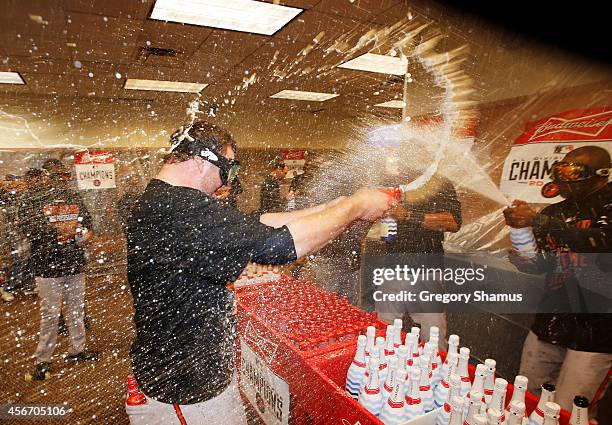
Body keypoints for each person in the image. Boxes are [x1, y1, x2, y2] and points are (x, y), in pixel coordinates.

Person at [126, 121, 393, 424]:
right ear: (201, 162)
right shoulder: (178, 207)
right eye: (226, 171)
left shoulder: (168, 201)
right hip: (188, 394)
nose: (224, 184)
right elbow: (277, 247)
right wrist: (357, 206)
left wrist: (337, 206)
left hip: (187, 379)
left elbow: (258, 223)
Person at [503, 145, 612, 417]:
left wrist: (538, 220)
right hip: (550, 323)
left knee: (568, 411)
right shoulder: (555, 212)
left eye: (574, 171)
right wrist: (521, 237)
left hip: (596, 332)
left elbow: (601, 242)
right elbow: (537, 264)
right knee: (526, 397)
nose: (564, 178)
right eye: (560, 170)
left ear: (602, 174)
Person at [19, 159, 99, 380]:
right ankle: (42, 359)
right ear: (46, 177)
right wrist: (56, 229)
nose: (60, 181)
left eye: (62, 176)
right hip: (47, 266)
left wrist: (84, 234)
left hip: (73, 262)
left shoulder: (73, 196)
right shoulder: (32, 200)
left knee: (76, 310)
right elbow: (28, 229)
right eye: (55, 176)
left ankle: (77, 349)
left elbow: (89, 225)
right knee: (50, 314)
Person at [375, 173, 462, 343]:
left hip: (427, 271)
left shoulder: (440, 183)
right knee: (384, 332)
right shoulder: (391, 182)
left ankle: (436, 368)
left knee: (433, 337)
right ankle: (385, 366)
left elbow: (453, 222)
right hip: (392, 269)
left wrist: (408, 215)